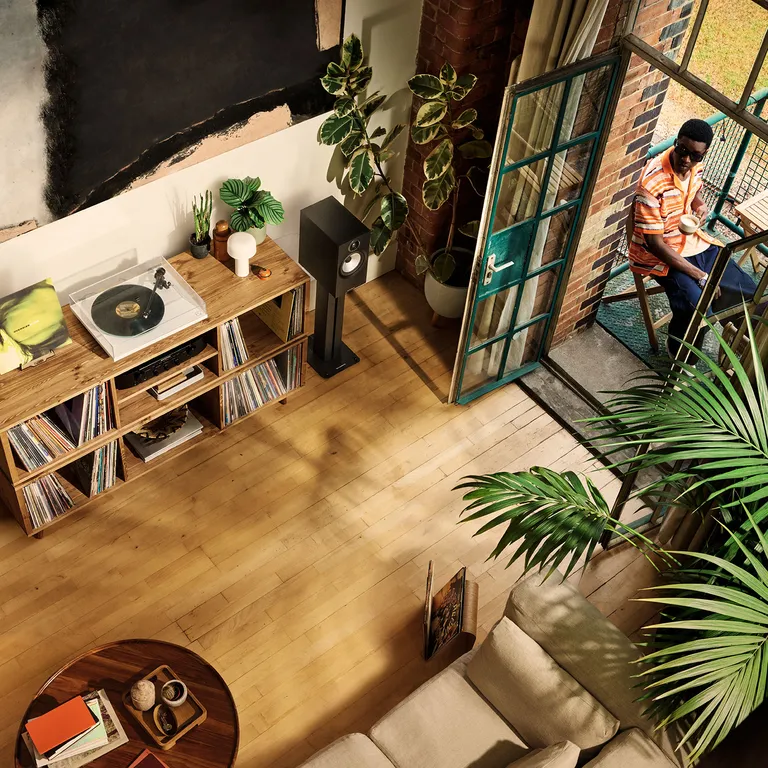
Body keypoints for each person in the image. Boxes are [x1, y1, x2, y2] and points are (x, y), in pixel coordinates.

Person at [629, 118, 758, 356]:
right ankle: (680, 354)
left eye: (695, 155)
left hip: (694, 242)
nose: (686, 160)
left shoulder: (696, 166)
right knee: (698, 307)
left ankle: (751, 347)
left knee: (747, 290)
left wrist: (699, 205)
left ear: (704, 154)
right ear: (676, 142)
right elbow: (655, 244)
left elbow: (694, 190)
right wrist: (700, 275)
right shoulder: (651, 183)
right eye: (682, 150)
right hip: (661, 255)